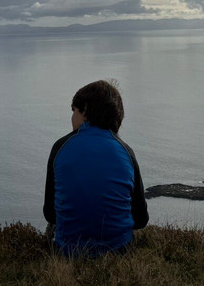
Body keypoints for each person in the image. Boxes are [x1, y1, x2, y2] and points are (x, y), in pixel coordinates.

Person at [43, 79, 149, 256]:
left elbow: (50, 214)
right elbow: (140, 219)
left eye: (74, 111)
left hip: (69, 252)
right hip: (119, 251)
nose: (72, 117)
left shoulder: (60, 147)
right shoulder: (126, 152)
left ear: (85, 111)